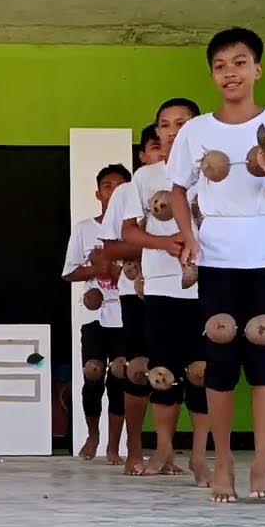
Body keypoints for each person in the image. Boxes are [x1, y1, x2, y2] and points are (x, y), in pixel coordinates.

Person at [169, 27, 265, 502]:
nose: (231, 73)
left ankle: (263, 463)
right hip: (218, 255)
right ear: (213, 75)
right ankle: (223, 460)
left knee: (262, 346)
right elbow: (179, 191)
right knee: (222, 352)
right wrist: (189, 238)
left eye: (240, 63)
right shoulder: (195, 131)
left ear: (258, 69)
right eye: (222, 66)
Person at [120, 98, 211, 484]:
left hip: (209, 284)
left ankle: (202, 456)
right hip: (161, 285)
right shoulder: (144, 178)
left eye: (181, 123)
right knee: (163, 372)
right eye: (164, 125)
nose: (172, 131)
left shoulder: (212, 171)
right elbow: (129, 231)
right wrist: (165, 243)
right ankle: (164, 449)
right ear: (156, 131)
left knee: (203, 373)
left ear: (198, 126)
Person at [98, 125, 158, 475]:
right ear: (142, 154)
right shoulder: (128, 191)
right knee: (137, 369)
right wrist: (161, 245)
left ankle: (167, 452)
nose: (163, 149)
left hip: (186, 290)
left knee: (186, 370)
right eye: (155, 144)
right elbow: (112, 247)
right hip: (136, 292)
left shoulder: (197, 183)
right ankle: (133, 449)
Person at [62, 164, 130, 463]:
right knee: (92, 372)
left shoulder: (137, 231)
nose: (113, 191)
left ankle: (114, 445)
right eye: (107, 186)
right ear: (98, 193)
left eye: (120, 186)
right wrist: (97, 270)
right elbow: (69, 273)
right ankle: (93, 434)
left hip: (126, 313)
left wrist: (120, 272)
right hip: (95, 316)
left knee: (120, 374)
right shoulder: (85, 229)